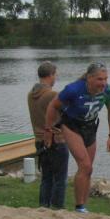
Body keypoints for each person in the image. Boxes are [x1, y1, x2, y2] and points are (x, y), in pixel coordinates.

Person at [44, 62, 110, 214]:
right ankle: (79, 206)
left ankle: (83, 207)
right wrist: (48, 130)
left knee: (88, 169)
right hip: (72, 126)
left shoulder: (108, 91)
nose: (103, 83)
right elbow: (53, 106)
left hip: (90, 128)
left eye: (105, 79)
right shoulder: (73, 90)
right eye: (99, 79)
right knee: (85, 165)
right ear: (89, 78)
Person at [27, 61, 68, 209]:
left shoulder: (30, 95)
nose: (56, 77)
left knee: (46, 178)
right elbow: (66, 114)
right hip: (56, 140)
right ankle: (57, 207)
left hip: (40, 140)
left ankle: (43, 206)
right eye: (55, 74)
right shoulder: (53, 95)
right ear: (50, 75)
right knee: (60, 178)